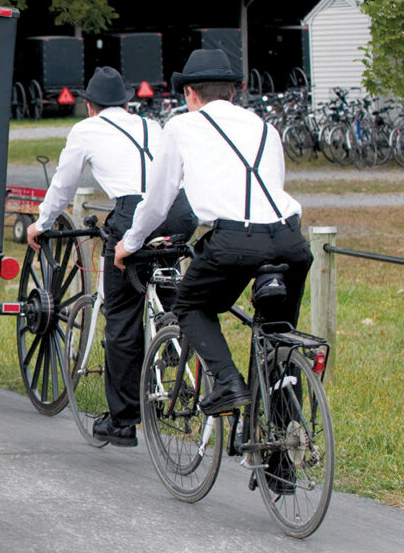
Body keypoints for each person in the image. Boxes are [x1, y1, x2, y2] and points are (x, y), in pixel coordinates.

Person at [113, 49, 311, 424]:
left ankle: (227, 382)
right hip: (289, 239)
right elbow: (272, 185)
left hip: (234, 241)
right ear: (234, 93)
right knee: (279, 339)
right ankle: (281, 461)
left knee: (190, 305)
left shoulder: (181, 127)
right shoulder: (264, 127)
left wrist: (130, 243)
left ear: (190, 93)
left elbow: (158, 201)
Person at [26, 66, 197, 447]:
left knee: (121, 313)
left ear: (90, 106)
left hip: (136, 212)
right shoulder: (151, 124)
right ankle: (172, 340)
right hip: (181, 210)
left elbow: (64, 183)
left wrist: (42, 222)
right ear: (125, 103)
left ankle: (123, 420)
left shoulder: (86, 130)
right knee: (164, 276)